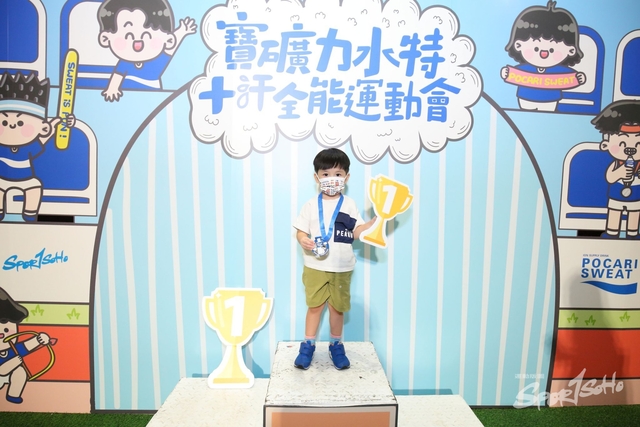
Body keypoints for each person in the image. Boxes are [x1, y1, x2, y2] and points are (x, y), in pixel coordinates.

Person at [293, 148, 376, 370]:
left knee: (337, 308)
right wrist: (303, 239)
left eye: (338, 174)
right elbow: (300, 231)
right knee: (314, 306)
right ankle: (308, 345)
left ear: (346, 177)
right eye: (326, 174)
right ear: (317, 177)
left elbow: (357, 232)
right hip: (315, 266)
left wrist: (371, 225)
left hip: (342, 267)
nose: (332, 179)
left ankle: (336, 345)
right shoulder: (310, 205)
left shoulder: (349, 204)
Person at [0, 72, 76, 222]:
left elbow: (45, 137)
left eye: (20, 123)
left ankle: (30, 214)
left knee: (35, 187)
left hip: (26, 179)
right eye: (4, 122)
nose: (12, 126)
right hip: (1, 179)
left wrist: (61, 122)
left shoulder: (29, 146)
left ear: (43, 128)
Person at [97, 0, 196, 102]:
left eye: (147, 36)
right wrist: (112, 89)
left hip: (153, 99)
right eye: (128, 36)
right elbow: (117, 76)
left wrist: (182, 31)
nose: (137, 41)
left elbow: (171, 48)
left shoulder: (158, 61)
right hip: (128, 100)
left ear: (169, 40)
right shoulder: (125, 63)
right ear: (106, 38)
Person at [500, 1, 585, 111]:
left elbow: (571, 77)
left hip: (550, 100)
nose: (544, 53)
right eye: (536, 48)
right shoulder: (524, 69)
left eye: (552, 50)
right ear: (518, 45)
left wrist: (578, 78)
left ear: (571, 50)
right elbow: (514, 73)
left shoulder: (560, 71)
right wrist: (506, 73)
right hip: (526, 98)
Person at [593, 100, 640, 238]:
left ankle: (633, 233)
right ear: (605, 144)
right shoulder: (616, 164)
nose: (631, 148)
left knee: (634, 213)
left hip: (636, 194)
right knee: (614, 211)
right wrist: (619, 172)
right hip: (616, 193)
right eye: (622, 142)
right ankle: (612, 232)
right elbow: (610, 177)